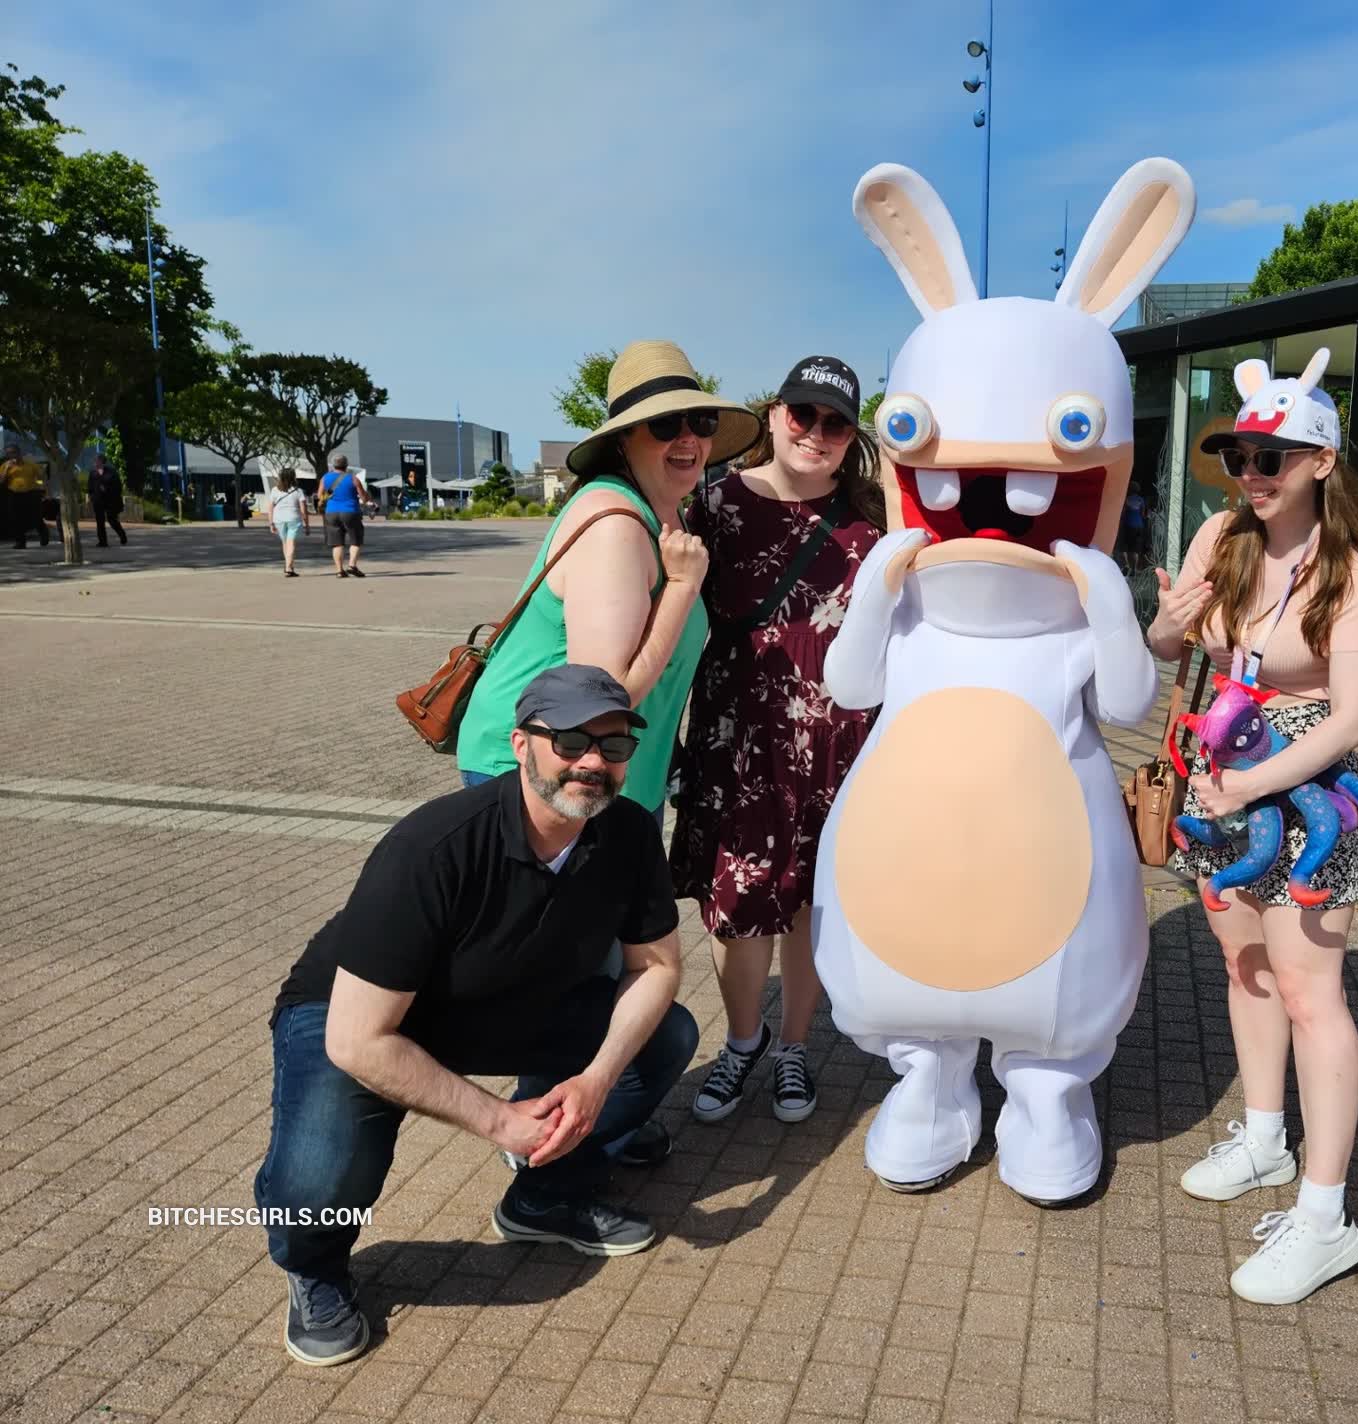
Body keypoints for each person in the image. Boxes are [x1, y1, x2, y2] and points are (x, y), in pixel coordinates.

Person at [255, 664, 699, 1367]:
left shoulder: (628, 835)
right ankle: (314, 1265)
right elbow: (358, 1038)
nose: (593, 761)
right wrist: (498, 1122)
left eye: (614, 745)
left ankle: (546, 1198)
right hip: (360, 1021)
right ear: (521, 744)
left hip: (507, 1002)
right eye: (571, 741)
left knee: (664, 1037)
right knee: (319, 1183)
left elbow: (657, 968)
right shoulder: (432, 847)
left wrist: (595, 1081)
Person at [1147, 349, 1358, 1306]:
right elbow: (1170, 647)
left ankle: (1326, 1218)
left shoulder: (1351, 572)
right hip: (1219, 776)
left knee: (1309, 992)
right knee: (1243, 964)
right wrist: (1167, 621)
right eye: (1238, 458)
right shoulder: (1222, 536)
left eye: (1271, 458)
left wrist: (1249, 785)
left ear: (1322, 462)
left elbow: (1351, 718)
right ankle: (1263, 1138)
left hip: (1306, 793)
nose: (1250, 474)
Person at [669, 357, 885, 1125]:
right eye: (803, 414)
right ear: (773, 415)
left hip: (838, 746)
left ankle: (793, 1046)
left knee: (808, 904)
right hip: (739, 736)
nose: (816, 433)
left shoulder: (871, 521)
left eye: (835, 423)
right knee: (736, 899)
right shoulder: (715, 505)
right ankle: (742, 1040)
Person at [456, 340, 763, 822]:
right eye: (666, 424)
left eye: (701, 422)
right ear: (624, 438)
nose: (688, 439)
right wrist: (682, 587)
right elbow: (603, 694)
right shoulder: (613, 523)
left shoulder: (666, 513)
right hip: (549, 773)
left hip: (617, 776)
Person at [318, 455, 368, 578]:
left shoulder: (325, 478)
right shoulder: (353, 478)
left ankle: (339, 571)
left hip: (331, 512)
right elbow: (364, 498)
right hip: (350, 511)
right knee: (356, 540)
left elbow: (320, 496)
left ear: (333, 465)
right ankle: (352, 565)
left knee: (337, 543)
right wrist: (365, 497)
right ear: (346, 465)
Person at [4, 442, 49, 548]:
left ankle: (43, 533)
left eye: (13, 452)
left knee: (35, 516)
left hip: (30, 493)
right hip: (14, 494)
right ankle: (20, 542)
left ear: (19, 453)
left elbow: (42, 476)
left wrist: (42, 487)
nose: (11, 456)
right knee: (16, 518)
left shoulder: (30, 464)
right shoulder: (5, 466)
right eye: (9, 454)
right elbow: (1, 480)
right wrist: (6, 469)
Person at [268, 468, 309, 576]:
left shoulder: (274, 490)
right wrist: (306, 524)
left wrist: (271, 523)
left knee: (285, 543)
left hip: (279, 519)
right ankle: (288, 568)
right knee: (291, 543)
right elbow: (303, 509)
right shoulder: (298, 491)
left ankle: (288, 566)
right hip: (293, 518)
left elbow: (270, 507)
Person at [87, 455, 128, 548]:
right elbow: (90, 486)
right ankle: (102, 541)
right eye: (94, 460)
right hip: (98, 500)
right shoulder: (93, 473)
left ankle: (122, 535)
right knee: (100, 521)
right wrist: (91, 497)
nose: (94, 462)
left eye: (96, 460)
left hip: (110, 500)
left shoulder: (111, 472)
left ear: (101, 461)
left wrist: (107, 489)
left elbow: (118, 486)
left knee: (112, 520)